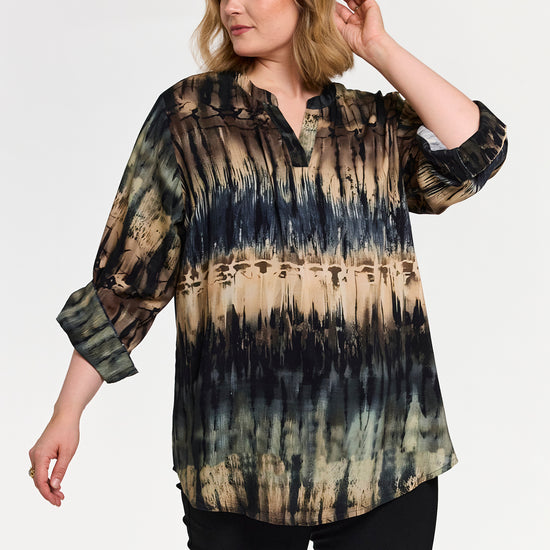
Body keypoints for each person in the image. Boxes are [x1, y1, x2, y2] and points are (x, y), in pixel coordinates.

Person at [29, 0, 508, 548]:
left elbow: (476, 151)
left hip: (386, 454)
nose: (230, 7)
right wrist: (67, 412)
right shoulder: (191, 116)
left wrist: (377, 47)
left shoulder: (372, 123)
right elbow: (128, 278)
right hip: (237, 461)